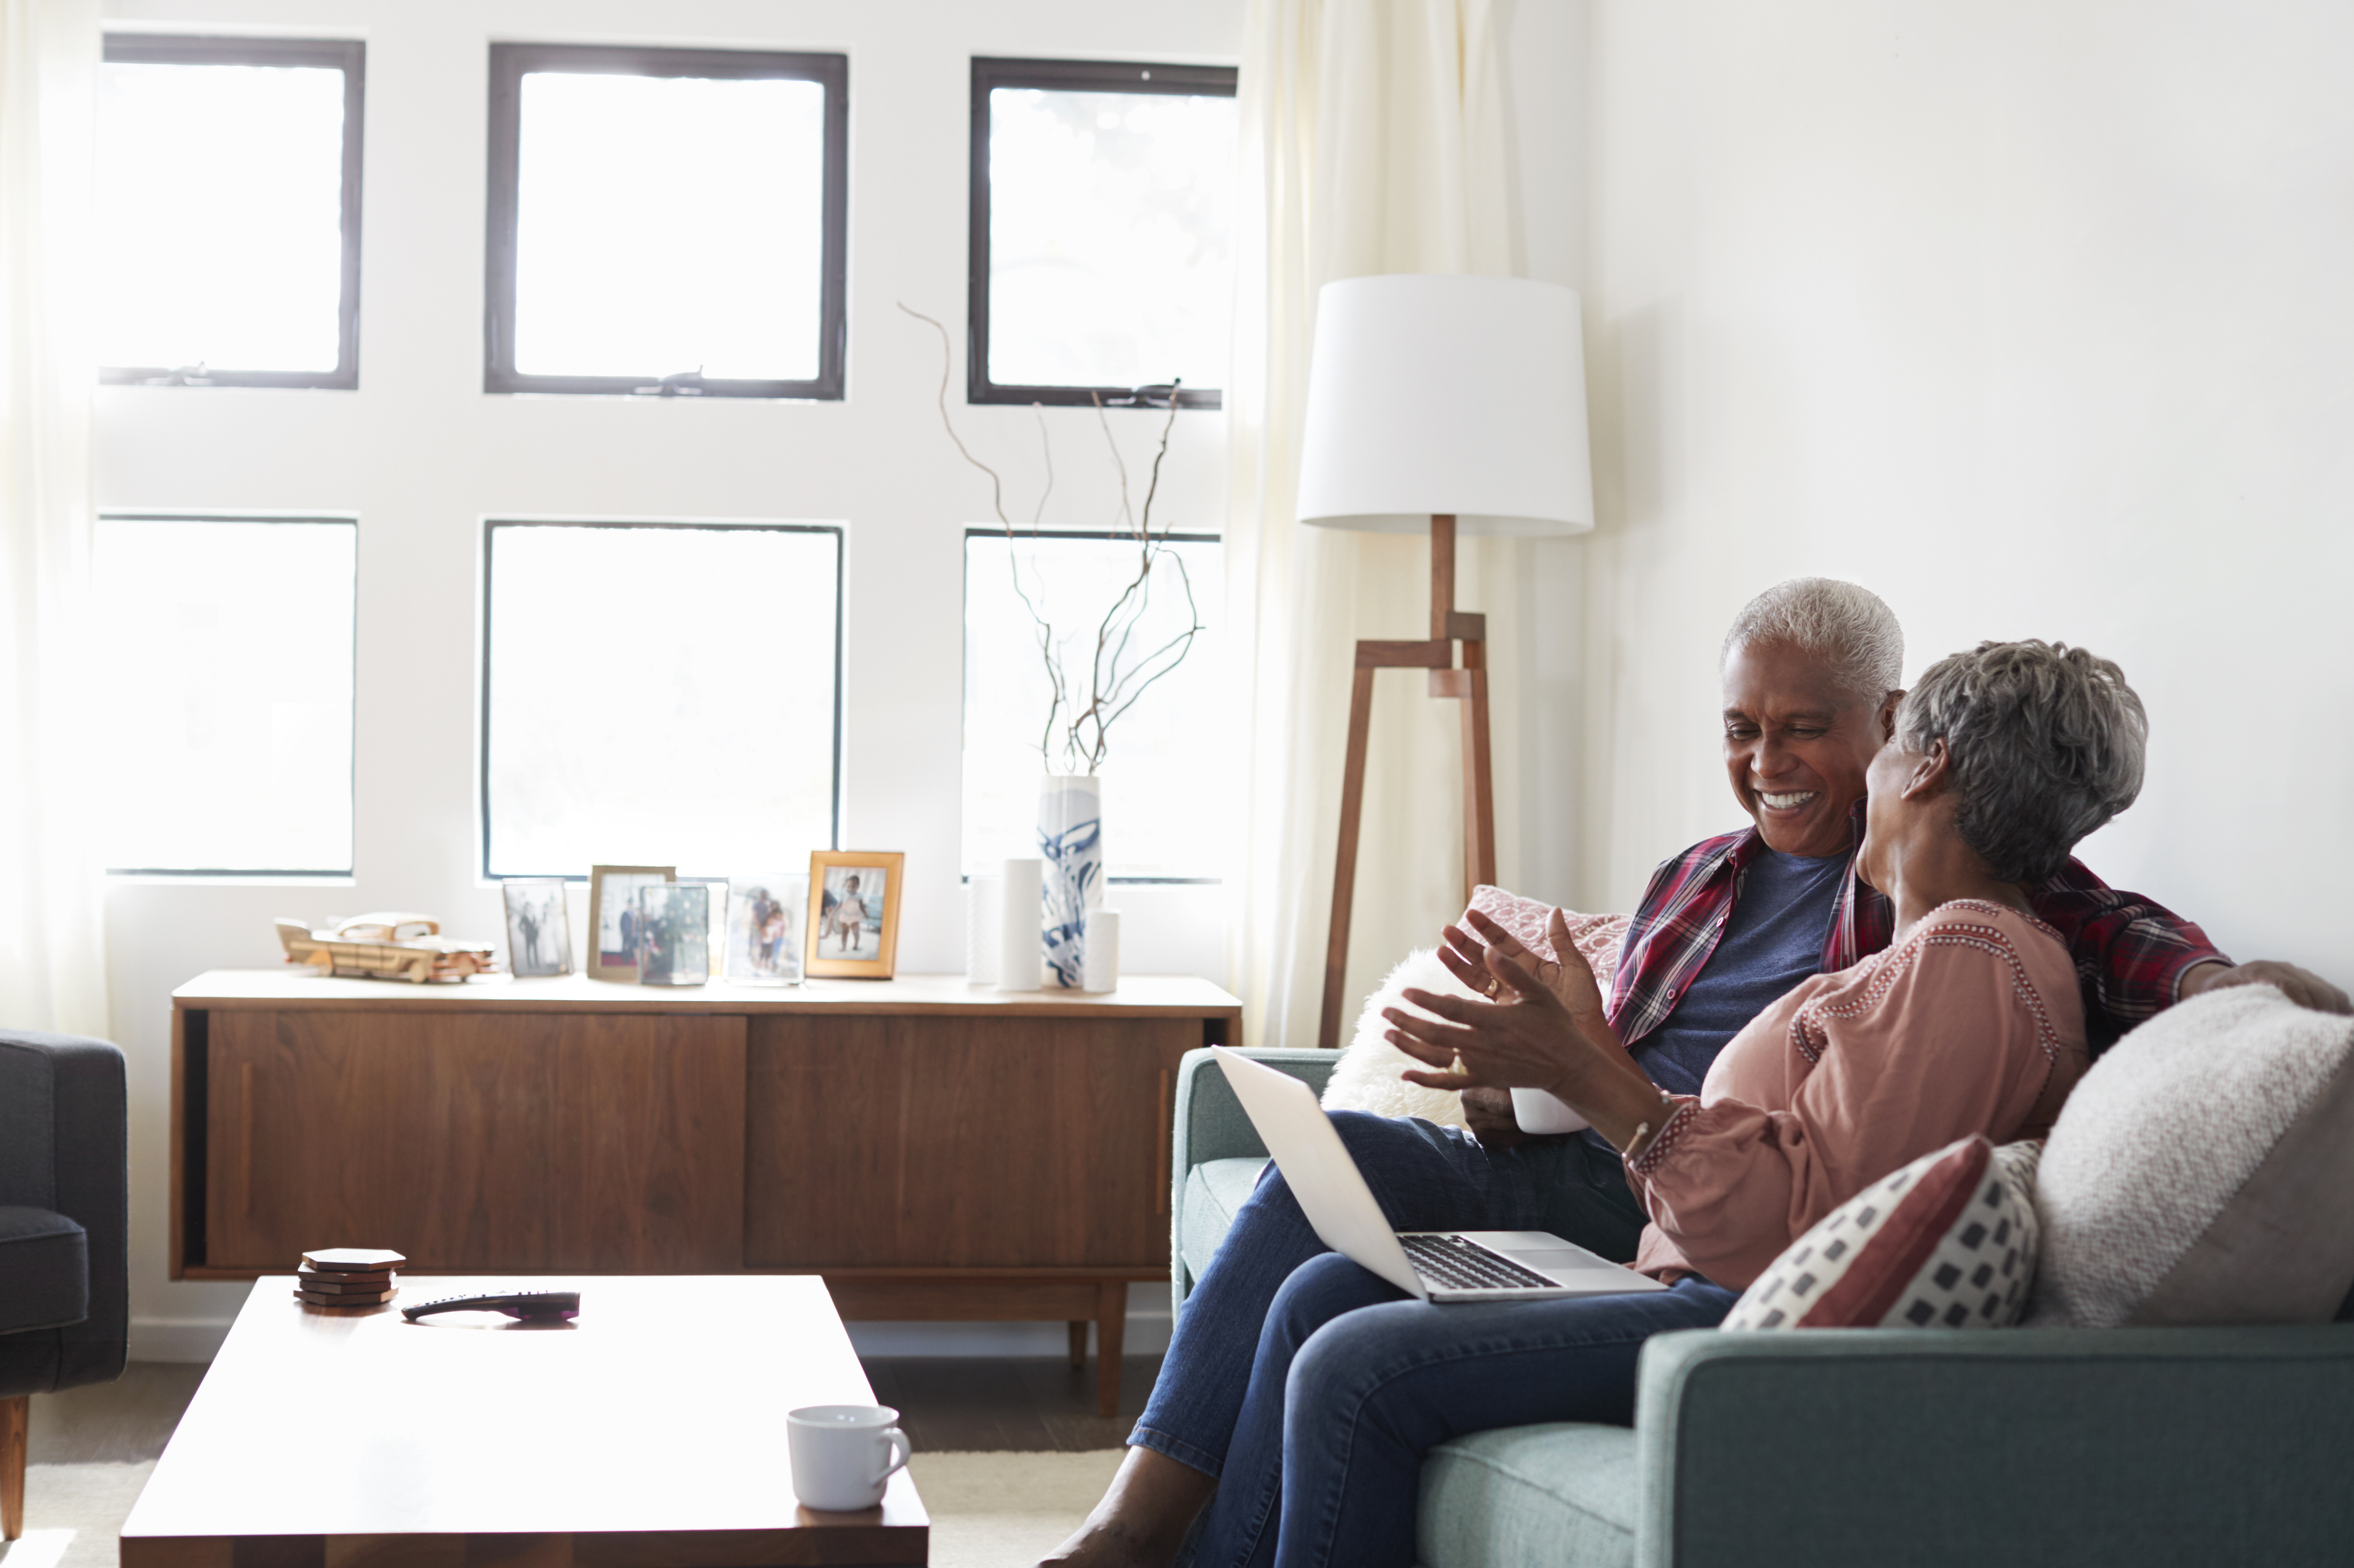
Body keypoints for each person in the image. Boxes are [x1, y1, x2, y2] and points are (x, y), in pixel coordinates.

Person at [1042, 582, 2349, 1568]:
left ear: (1914, 750)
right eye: (1742, 728)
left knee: (1353, 1358)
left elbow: (1792, 1210)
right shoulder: (1748, 891)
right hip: (1649, 1205)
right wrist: (1523, 1067)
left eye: (1817, 732)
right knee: (1323, 1268)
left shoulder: (1967, 949)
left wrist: (2212, 988)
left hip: (1711, 1270)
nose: (1769, 759)